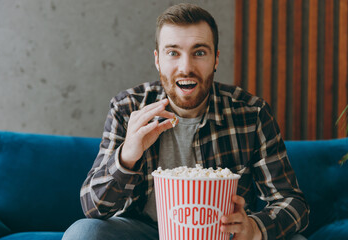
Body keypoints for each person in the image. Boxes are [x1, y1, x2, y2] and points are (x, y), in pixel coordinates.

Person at [63, 3, 309, 240]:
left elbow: (293, 203)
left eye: (199, 53)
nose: (186, 67)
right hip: (145, 231)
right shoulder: (127, 109)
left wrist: (254, 227)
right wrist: (128, 155)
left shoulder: (251, 113)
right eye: (173, 53)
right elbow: (93, 208)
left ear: (216, 59)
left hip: (221, 234)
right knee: (83, 233)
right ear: (158, 60)